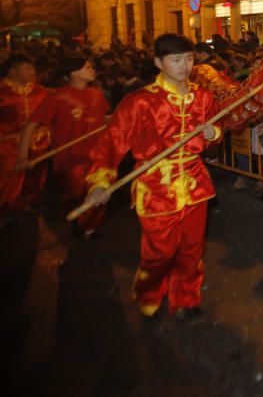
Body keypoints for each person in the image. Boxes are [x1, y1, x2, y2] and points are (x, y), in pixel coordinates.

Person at [82, 35, 222, 320]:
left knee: (192, 249)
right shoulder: (140, 101)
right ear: (158, 63)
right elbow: (112, 142)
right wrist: (99, 182)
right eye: (176, 60)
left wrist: (213, 133)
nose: (184, 66)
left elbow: (217, 128)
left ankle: (186, 297)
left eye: (189, 59)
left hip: (195, 184)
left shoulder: (203, 96)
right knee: (160, 252)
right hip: (155, 187)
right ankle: (149, 291)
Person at [17, 57, 108, 235]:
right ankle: (79, 223)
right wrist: (22, 156)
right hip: (71, 158)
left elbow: (103, 119)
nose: (92, 70)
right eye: (87, 67)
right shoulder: (58, 97)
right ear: (73, 72)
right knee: (77, 194)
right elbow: (30, 126)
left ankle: (88, 227)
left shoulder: (97, 94)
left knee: (100, 192)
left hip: (99, 156)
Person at [0, 54, 48, 218]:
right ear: (12, 71)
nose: (33, 72)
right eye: (27, 68)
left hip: (38, 141)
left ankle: (31, 202)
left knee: (36, 174)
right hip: (9, 144)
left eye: (33, 68)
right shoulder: (3, 92)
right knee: (12, 177)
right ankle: (7, 210)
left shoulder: (40, 91)